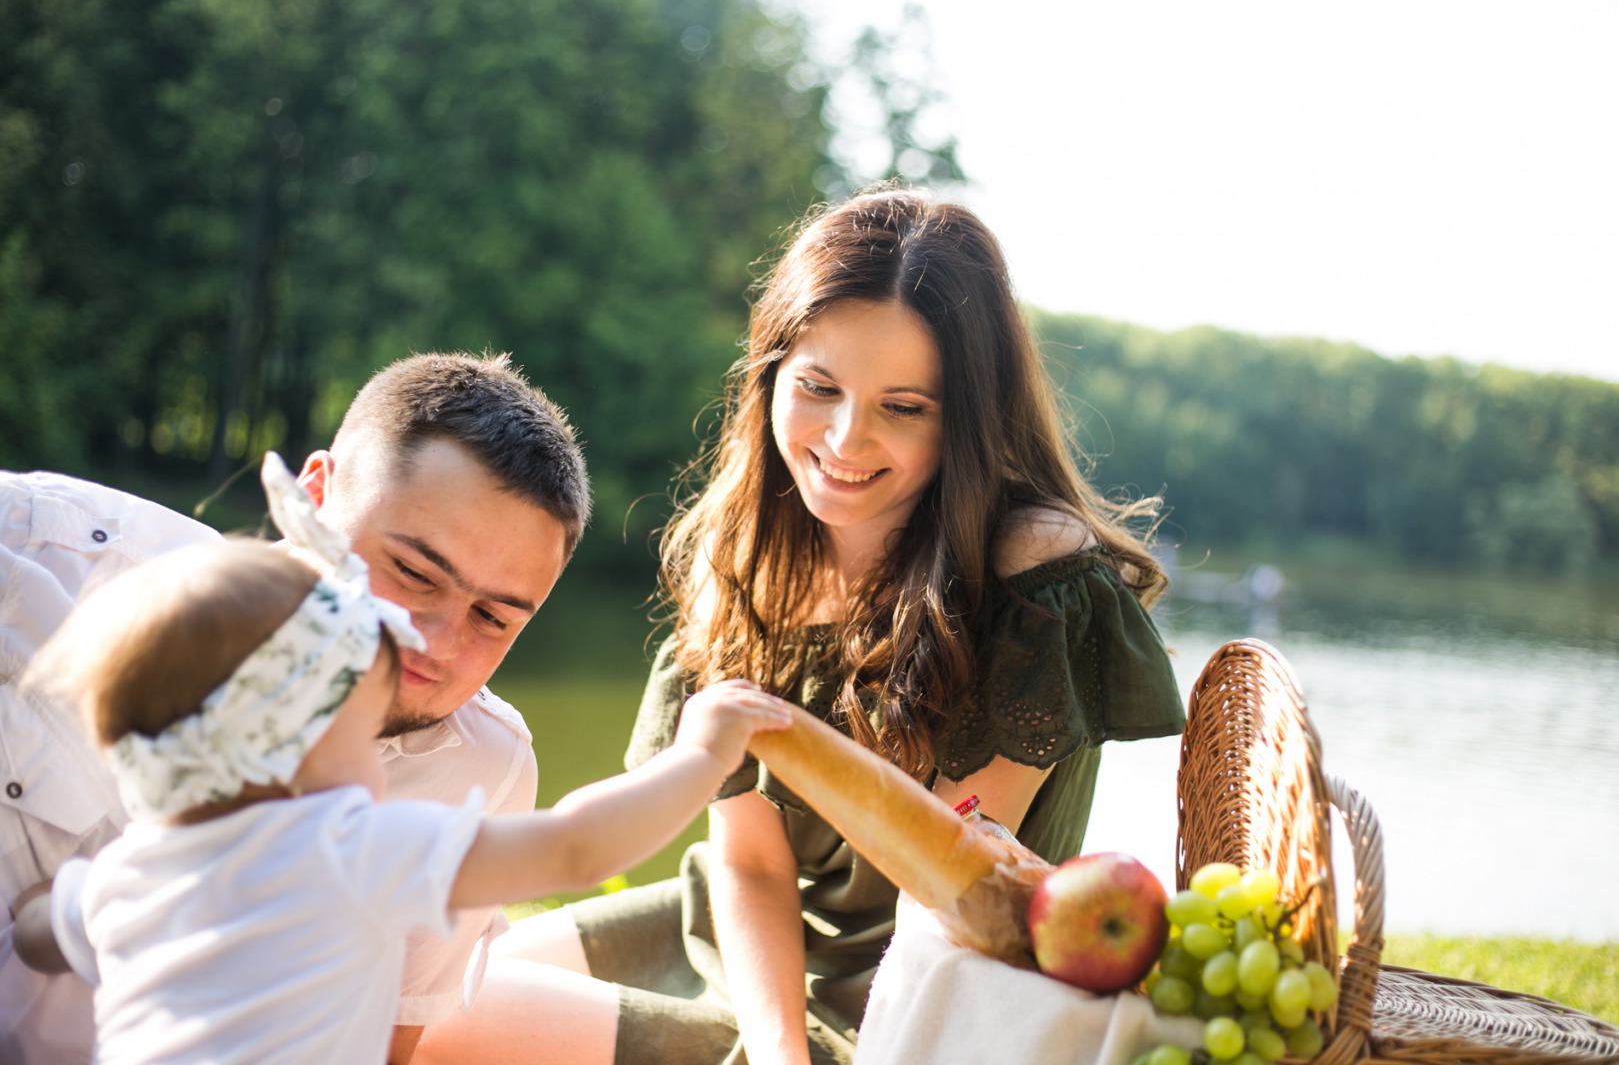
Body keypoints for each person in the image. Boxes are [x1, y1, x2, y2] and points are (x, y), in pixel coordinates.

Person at [418, 188, 1186, 1065]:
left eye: (905, 406)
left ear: (966, 418)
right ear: (770, 373)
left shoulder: (1035, 576)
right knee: (421, 978)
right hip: (745, 944)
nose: (845, 439)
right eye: (818, 386)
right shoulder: (746, 559)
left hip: (915, 997)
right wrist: (775, 1045)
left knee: (435, 1025)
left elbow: (946, 888)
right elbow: (748, 864)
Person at [12, 457, 794, 1065]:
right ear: (293, 746)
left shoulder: (135, 871)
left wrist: (52, 912)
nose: (380, 768)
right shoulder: (346, 849)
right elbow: (577, 845)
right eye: (359, 741)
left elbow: (42, 930)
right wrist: (700, 752)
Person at [0, 352, 587, 1064]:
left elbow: (383, 1049)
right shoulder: (35, 557)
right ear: (310, 496)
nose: (431, 644)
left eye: (492, 617)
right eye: (412, 572)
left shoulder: (481, 774)